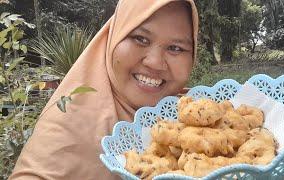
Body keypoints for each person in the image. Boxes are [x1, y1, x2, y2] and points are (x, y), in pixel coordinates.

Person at [9, 0, 198, 179]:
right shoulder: (71, 126)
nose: (155, 62)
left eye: (175, 47)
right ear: (114, 39)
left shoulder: (195, 123)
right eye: (140, 39)